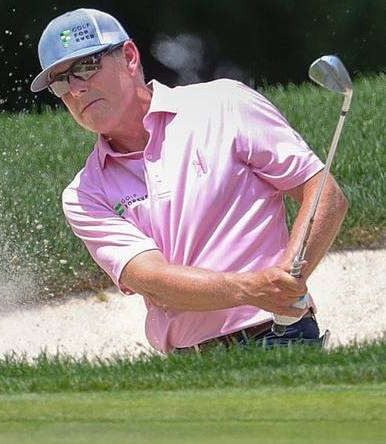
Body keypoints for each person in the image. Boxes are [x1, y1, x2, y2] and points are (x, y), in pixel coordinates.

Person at [30, 9, 348, 353]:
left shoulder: (225, 104)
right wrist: (252, 288)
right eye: (60, 81)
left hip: (280, 334)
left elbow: (324, 193)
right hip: (190, 362)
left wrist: (288, 277)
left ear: (129, 57)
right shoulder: (84, 194)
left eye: (86, 67)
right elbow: (152, 280)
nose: (75, 89)